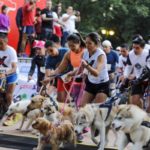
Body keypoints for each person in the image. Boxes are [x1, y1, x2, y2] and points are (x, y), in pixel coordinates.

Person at [43, 33, 85, 102]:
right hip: (66, 77)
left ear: (79, 43)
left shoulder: (85, 52)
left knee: (79, 103)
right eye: (69, 46)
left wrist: (70, 74)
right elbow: (59, 69)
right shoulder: (68, 53)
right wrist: (49, 78)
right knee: (61, 101)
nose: (71, 48)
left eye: (73, 46)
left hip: (82, 79)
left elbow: (82, 68)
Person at [79, 32, 109, 106]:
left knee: (96, 110)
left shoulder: (101, 55)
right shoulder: (84, 53)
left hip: (102, 84)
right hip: (91, 83)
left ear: (96, 44)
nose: (87, 45)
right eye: (86, 43)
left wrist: (86, 66)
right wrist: (70, 74)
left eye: (90, 43)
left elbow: (96, 73)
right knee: (82, 107)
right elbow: (80, 69)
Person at [122, 36, 149, 108]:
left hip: (147, 78)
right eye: (133, 47)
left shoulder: (147, 54)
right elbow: (129, 66)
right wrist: (125, 76)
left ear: (143, 48)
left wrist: (139, 79)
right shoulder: (130, 54)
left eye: (137, 48)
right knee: (134, 101)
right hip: (138, 79)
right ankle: (140, 115)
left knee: (149, 103)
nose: (135, 50)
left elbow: (148, 71)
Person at [0, 32, 21, 125]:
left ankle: (13, 116)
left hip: (12, 74)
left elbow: (14, 68)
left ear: (6, 41)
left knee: (9, 95)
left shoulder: (11, 51)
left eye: (1, 43)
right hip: (1, 74)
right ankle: (6, 111)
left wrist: (5, 73)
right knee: (1, 96)